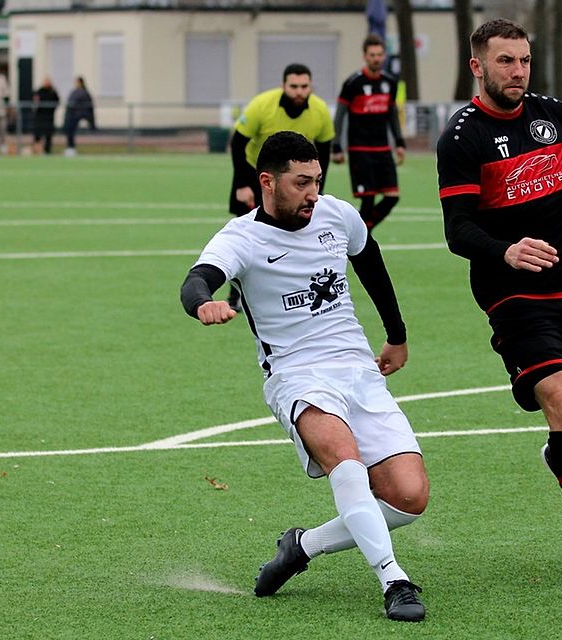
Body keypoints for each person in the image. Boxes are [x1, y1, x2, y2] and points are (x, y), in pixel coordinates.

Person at [181, 131, 428, 622]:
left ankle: (303, 546)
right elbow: (198, 278)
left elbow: (371, 262)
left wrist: (396, 334)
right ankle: (393, 579)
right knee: (345, 458)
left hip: (357, 368)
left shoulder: (337, 214)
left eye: (317, 180)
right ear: (267, 183)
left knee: (408, 497)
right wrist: (203, 304)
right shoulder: (241, 237)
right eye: (301, 183)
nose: (313, 193)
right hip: (295, 376)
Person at [437, 19, 562, 591]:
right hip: (516, 298)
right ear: (478, 66)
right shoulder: (461, 138)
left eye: (524, 61)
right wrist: (507, 251)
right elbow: (458, 231)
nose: (518, 72)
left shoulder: (554, 116)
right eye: (506, 61)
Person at [227, 63, 335, 311]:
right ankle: (236, 295)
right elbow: (238, 144)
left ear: (311, 87)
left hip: (297, 182)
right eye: (294, 86)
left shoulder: (319, 110)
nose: (299, 91)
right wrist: (243, 184)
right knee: (246, 239)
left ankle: (292, 291)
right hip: (257, 176)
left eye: (304, 86)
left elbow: (325, 152)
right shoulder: (262, 105)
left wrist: (316, 188)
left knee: (295, 235)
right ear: (283, 86)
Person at [332, 34, 406, 232]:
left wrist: (399, 143)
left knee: (392, 196)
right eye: (372, 54)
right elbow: (340, 116)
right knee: (368, 200)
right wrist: (337, 145)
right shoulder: (353, 83)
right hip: (360, 150)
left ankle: (361, 231)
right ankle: (363, 238)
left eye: (380, 54)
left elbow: (392, 115)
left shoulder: (390, 82)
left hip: (382, 149)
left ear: (384, 57)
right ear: (365, 56)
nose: (376, 58)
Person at [63, 76, 95, 156]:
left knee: (71, 130)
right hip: (72, 114)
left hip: (77, 114)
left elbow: (83, 104)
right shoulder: (76, 91)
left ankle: (71, 148)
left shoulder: (83, 92)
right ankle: (70, 148)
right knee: (69, 131)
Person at [32, 77, 60, 155]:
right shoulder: (39, 91)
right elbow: (35, 101)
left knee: (48, 135)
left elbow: (57, 101)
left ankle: (47, 151)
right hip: (40, 117)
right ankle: (36, 150)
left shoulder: (53, 91)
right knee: (37, 134)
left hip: (49, 117)